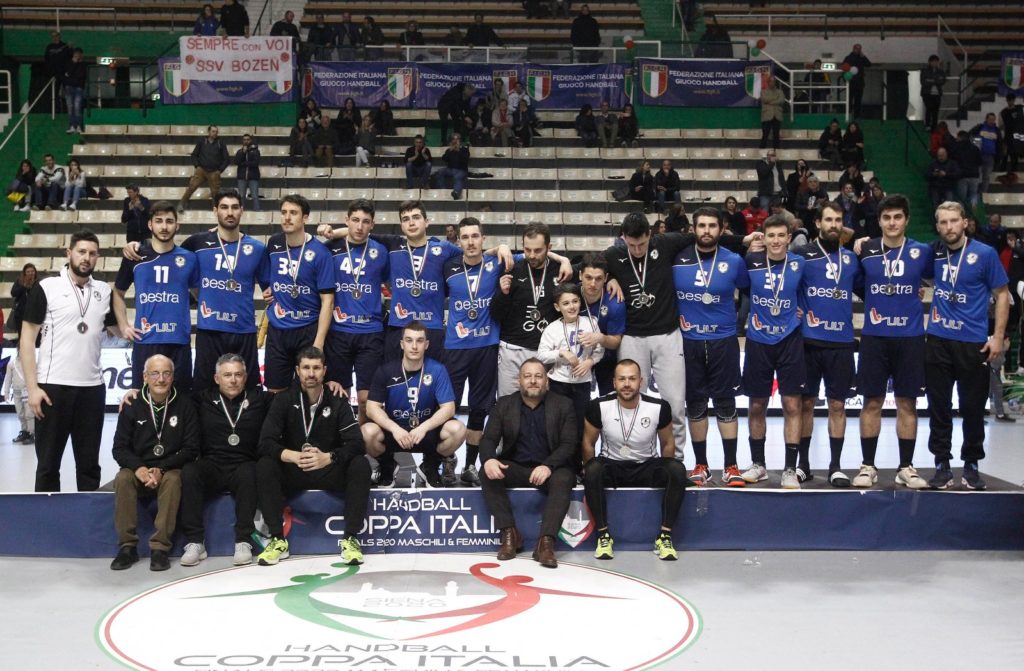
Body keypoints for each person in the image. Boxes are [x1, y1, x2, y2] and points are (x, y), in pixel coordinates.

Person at [603, 213, 752, 464]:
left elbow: (704, 236)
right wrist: (609, 276)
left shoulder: (665, 243)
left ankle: (676, 461)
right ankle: (633, 459)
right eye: (632, 245)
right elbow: (585, 269)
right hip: (632, 338)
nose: (638, 250)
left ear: (651, 235)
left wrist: (743, 239)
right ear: (623, 239)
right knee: (628, 398)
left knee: (674, 403)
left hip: (668, 336)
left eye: (642, 243)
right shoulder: (612, 256)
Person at [256, 347, 371, 566]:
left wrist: (330, 457)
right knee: (265, 465)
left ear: (324, 371)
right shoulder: (282, 400)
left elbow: (357, 444)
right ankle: (277, 539)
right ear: (298, 371)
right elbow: (264, 443)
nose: (311, 373)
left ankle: (350, 538)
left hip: (328, 468)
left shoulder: (337, 401)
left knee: (360, 464)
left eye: (316, 368)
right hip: (295, 469)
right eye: (306, 368)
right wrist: (291, 455)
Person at [926, 202, 1010, 490]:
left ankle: (972, 464)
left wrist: (997, 336)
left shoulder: (985, 254)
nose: (948, 227)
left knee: (973, 407)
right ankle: (941, 464)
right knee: (938, 406)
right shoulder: (933, 252)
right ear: (937, 226)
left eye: (953, 221)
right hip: (937, 339)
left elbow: (1001, 294)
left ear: (965, 222)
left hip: (972, 341)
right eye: (943, 222)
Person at [20, 230, 111, 492]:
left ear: (98, 258)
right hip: (52, 388)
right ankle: (48, 529)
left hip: (92, 389)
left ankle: (89, 527)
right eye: (81, 251)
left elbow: (119, 329)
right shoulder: (47, 287)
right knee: (48, 466)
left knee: (89, 467)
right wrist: (33, 388)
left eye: (92, 253)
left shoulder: (103, 291)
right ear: (68, 253)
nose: (86, 258)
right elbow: (27, 340)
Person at [853, 194, 933, 489]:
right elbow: (852, 280)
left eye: (897, 217)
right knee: (871, 402)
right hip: (874, 337)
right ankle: (867, 466)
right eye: (886, 218)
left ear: (906, 220)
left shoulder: (921, 252)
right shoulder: (867, 249)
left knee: (907, 403)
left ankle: (906, 467)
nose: (892, 222)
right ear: (879, 221)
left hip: (910, 337)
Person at [672, 206, 751, 486]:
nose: (707, 231)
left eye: (712, 226)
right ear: (693, 228)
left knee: (726, 403)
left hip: (724, 341)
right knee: (695, 405)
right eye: (701, 225)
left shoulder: (735, 260)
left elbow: (749, 292)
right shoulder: (677, 259)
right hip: (689, 342)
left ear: (721, 229)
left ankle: (731, 466)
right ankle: (701, 465)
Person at [583, 359, 686, 560]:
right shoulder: (599, 406)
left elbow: (667, 443)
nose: (627, 384)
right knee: (593, 469)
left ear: (641, 381)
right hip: (612, 466)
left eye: (632, 379)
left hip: (647, 466)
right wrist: (588, 471)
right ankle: (603, 536)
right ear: (614, 383)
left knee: (676, 470)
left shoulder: (659, 407)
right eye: (622, 379)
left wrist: (666, 468)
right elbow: (588, 443)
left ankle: (664, 536)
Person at [479, 359, 577, 568]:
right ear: (519, 381)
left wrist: (548, 466)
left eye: (538, 376)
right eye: (527, 376)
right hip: (516, 467)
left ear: (546, 381)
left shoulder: (563, 404)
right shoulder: (504, 404)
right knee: (486, 471)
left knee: (565, 477)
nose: (533, 381)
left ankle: (546, 543)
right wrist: (489, 460)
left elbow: (569, 444)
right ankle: (509, 533)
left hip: (549, 468)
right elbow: (488, 440)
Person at [176, 354, 273, 567]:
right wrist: (137, 390)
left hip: (244, 464)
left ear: (246, 377)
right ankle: (195, 542)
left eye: (238, 374)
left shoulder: (259, 398)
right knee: (190, 472)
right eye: (227, 375)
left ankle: (243, 541)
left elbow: (292, 397)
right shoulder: (201, 399)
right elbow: (169, 396)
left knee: (251, 472)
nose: (233, 380)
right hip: (212, 464)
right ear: (216, 378)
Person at [793, 202, 863, 487]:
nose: (833, 225)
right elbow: (784, 285)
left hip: (842, 343)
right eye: (828, 220)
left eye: (838, 220)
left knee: (837, 405)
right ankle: (803, 465)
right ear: (818, 223)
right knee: (805, 404)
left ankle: (835, 466)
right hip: (808, 342)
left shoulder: (851, 259)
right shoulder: (801, 255)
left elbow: (867, 287)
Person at [109, 354, 199, 572]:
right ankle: (127, 546)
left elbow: (191, 448)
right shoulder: (132, 404)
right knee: (122, 478)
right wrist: (139, 468)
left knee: (174, 480)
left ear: (173, 376)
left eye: (166, 373)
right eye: (155, 373)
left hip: (169, 467)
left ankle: (160, 548)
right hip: (138, 467)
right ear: (144, 376)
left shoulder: (185, 404)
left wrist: (162, 468)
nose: (161, 379)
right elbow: (119, 448)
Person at [740, 215, 806, 488]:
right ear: (763, 238)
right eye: (771, 236)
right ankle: (759, 464)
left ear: (789, 238)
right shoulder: (751, 263)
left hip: (790, 339)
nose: (776, 240)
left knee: (792, 405)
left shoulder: (800, 263)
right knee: (756, 405)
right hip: (758, 340)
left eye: (781, 235)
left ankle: (790, 468)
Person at [179, 190, 267, 393]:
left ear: (242, 211)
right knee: (204, 390)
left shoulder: (257, 248)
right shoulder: (197, 243)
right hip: (210, 329)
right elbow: (170, 256)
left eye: (235, 207)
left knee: (250, 391)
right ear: (215, 211)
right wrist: (135, 247)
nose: (230, 212)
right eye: (224, 207)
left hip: (243, 329)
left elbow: (270, 288)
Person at [442, 218, 507, 485]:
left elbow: (532, 251)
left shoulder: (496, 264)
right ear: (458, 241)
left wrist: (561, 260)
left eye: (475, 236)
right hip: (455, 347)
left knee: (479, 409)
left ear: (483, 238)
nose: (470, 242)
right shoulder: (448, 267)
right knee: (448, 408)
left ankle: (470, 465)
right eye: (465, 237)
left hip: (486, 346)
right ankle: (447, 461)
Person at [363, 322, 467, 488]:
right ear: (402, 343)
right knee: (367, 433)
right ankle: (387, 466)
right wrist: (394, 429)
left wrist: (424, 427)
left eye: (419, 341)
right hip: (396, 432)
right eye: (409, 340)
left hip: (426, 432)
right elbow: (371, 407)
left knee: (458, 429)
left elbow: (449, 408)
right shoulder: (386, 371)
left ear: (426, 345)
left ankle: (430, 466)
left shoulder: (437, 370)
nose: (414, 346)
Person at [112, 202, 199, 392]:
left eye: (169, 221)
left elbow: (199, 293)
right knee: (142, 402)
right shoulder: (135, 255)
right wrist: (124, 326)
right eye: (159, 221)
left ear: (177, 226)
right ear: (150, 225)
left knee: (182, 401)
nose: (164, 226)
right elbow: (117, 293)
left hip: (179, 341)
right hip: (146, 341)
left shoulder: (189, 259)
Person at [322, 199, 390, 423]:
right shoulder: (329, 250)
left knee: (365, 399)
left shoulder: (381, 252)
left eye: (365, 222)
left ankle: (361, 443)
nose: (359, 226)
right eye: (355, 220)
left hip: (370, 332)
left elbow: (392, 285)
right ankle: (341, 441)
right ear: (346, 220)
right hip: (338, 332)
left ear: (373, 225)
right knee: (337, 394)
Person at [263, 194, 335, 392]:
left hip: (308, 329)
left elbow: (327, 301)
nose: (287, 217)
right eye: (284, 212)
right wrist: (267, 290)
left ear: (305, 218)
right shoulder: (273, 244)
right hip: (278, 329)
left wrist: (318, 342)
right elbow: (267, 278)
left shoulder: (320, 252)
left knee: (309, 389)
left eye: (293, 213)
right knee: (275, 391)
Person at [491, 222, 572, 396]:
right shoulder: (512, 270)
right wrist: (503, 294)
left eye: (538, 250)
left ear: (549, 247)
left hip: (546, 352)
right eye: (527, 250)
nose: (532, 255)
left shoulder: (560, 271)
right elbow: (495, 314)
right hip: (512, 349)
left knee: (546, 409)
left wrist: (565, 259)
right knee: (508, 405)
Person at [537, 283, 604, 440]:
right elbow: (541, 355)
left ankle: (577, 462)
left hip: (582, 383)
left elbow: (600, 350)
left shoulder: (591, 323)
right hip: (558, 383)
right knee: (558, 423)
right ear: (557, 307)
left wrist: (590, 362)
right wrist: (561, 353)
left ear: (580, 302)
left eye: (575, 301)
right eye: (566, 303)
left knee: (581, 424)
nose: (571, 306)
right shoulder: (552, 328)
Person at [577, 254, 626, 395]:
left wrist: (600, 338)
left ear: (606, 278)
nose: (593, 284)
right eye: (588, 277)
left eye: (598, 279)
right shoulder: (571, 296)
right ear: (580, 275)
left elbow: (616, 341)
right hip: (579, 354)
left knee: (609, 398)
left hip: (606, 356)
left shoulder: (614, 302)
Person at [179, 125, 229, 213]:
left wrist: (219, 171)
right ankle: (181, 205)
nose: (215, 133)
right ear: (209, 132)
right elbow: (194, 155)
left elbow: (227, 159)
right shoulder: (201, 141)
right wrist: (197, 166)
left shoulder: (221, 143)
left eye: (216, 132)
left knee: (215, 193)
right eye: (213, 131)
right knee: (191, 187)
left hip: (214, 172)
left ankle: (216, 209)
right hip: (201, 170)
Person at [3, 350, 34, 444]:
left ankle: (31, 433)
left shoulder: (31, 362)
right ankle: (24, 432)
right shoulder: (11, 364)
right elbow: (8, 378)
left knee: (29, 414)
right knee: (20, 413)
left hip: (27, 391)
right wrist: (6, 392)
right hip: (17, 392)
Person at [950, 130, 982, 211]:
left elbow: (953, 161)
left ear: (960, 137)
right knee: (973, 194)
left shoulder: (956, 148)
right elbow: (980, 162)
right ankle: (974, 210)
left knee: (961, 198)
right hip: (974, 175)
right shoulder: (975, 148)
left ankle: (962, 214)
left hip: (962, 176)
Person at [9, 262, 37, 345]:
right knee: (22, 336)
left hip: (34, 314)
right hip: (21, 314)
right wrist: (24, 286)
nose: (30, 273)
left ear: (35, 272)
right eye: (28, 272)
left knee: (34, 337)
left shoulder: (38, 282)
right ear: (24, 273)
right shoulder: (20, 281)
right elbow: (13, 293)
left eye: (32, 271)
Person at [841, 43, 871, 118]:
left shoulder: (861, 58)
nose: (858, 50)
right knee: (849, 100)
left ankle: (857, 116)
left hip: (859, 83)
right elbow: (844, 68)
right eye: (857, 49)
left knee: (858, 101)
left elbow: (869, 64)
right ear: (853, 49)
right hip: (851, 83)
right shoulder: (848, 58)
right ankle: (848, 114)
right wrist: (846, 80)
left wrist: (863, 56)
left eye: (860, 49)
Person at [997, 94, 1022, 179]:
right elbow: (1000, 126)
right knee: (1004, 156)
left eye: (1011, 100)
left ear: (1014, 100)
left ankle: (1014, 175)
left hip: (1018, 138)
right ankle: (1001, 175)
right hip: (1007, 138)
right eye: (1008, 100)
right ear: (1006, 101)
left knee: (1015, 157)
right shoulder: (1003, 112)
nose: (1010, 102)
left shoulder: (1020, 109)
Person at [439, 132, 470, 200]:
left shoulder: (464, 150)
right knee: (440, 172)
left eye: (457, 139)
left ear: (460, 141)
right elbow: (444, 159)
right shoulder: (449, 150)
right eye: (454, 139)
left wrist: (458, 150)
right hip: (450, 169)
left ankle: (456, 192)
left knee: (457, 176)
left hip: (462, 170)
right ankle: (442, 189)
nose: (455, 141)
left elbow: (466, 160)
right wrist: (450, 150)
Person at [976, 112, 1000, 196]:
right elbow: (974, 139)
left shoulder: (996, 130)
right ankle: (976, 193)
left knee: (986, 177)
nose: (992, 121)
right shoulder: (980, 128)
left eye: (993, 119)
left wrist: (998, 157)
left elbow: (999, 144)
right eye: (990, 119)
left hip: (990, 157)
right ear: (986, 119)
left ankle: (983, 194)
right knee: (977, 175)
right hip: (979, 156)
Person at [62, 48, 86, 134]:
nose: (77, 56)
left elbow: (80, 75)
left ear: (81, 55)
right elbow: (66, 73)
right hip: (69, 87)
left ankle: (79, 126)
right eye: (75, 54)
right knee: (70, 107)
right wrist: (73, 64)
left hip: (78, 88)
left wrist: (70, 74)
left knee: (77, 107)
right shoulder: (69, 63)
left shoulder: (83, 65)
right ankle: (72, 126)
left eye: (78, 54)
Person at [235, 133, 261, 211]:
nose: (246, 141)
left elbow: (256, 163)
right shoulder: (240, 152)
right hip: (242, 176)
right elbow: (236, 161)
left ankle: (257, 210)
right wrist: (243, 153)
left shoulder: (256, 151)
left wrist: (244, 163)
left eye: (248, 140)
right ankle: (241, 211)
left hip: (253, 176)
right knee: (242, 195)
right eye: (244, 140)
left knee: (254, 195)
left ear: (251, 140)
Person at [920, 55, 946, 132]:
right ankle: (927, 124)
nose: (935, 63)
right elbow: (923, 82)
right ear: (930, 62)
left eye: (936, 62)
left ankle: (934, 126)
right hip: (927, 93)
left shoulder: (940, 71)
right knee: (929, 108)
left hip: (937, 94)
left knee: (936, 111)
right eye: (933, 61)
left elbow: (942, 81)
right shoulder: (925, 71)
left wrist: (931, 80)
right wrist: (936, 80)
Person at [759, 75, 784, 149]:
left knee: (776, 134)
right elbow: (764, 99)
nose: (772, 83)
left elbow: (781, 100)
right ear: (768, 82)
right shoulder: (763, 91)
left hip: (777, 115)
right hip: (767, 115)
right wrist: (775, 100)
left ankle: (776, 150)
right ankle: (762, 149)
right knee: (765, 134)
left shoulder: (780, 91)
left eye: (773, 81)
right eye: (770, 81)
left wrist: (770, 101)